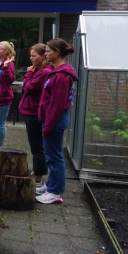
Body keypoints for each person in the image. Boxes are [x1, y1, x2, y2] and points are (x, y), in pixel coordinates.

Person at [36, 38, 78, 205]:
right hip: (51, 119)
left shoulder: (61, 76)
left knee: (54, 157)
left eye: (48, 51)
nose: (45, 54)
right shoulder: (55, 72)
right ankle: (51, 185)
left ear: (57, 52)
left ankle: (55, 192)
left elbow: (56, 105)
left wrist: (47, 126)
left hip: (55, 120)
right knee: (51, 155)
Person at [19, 43, 53, 186]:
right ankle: (37, 171)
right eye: (30, 55)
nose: (31, 58)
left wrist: (28, 74)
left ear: (43, 56)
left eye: (34, 55)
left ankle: (38, 176)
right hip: (33, 110)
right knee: (36, 145)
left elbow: (29, 87)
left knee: (36, 145)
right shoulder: (40, 70)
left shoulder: (43, 72)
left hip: (35, 111)